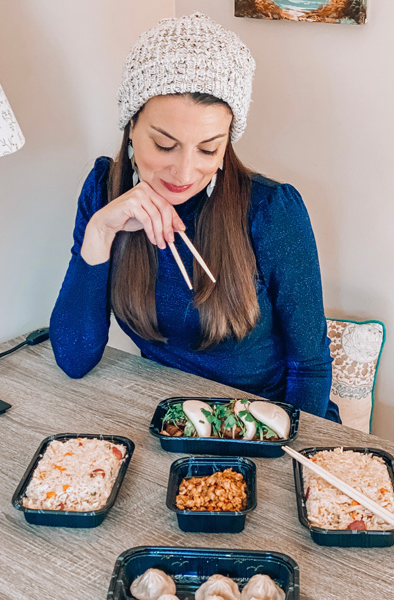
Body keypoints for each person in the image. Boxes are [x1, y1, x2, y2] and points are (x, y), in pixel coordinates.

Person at [50, 13, 340, 422]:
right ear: (131, 126)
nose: (185, 173)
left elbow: (309, 367)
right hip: (170, 419)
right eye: (164, 145)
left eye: (208, 150)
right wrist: (99, 232)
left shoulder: (272, 211)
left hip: (267, 422)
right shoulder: (104, 191)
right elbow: (74, 357)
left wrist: (279, 442)